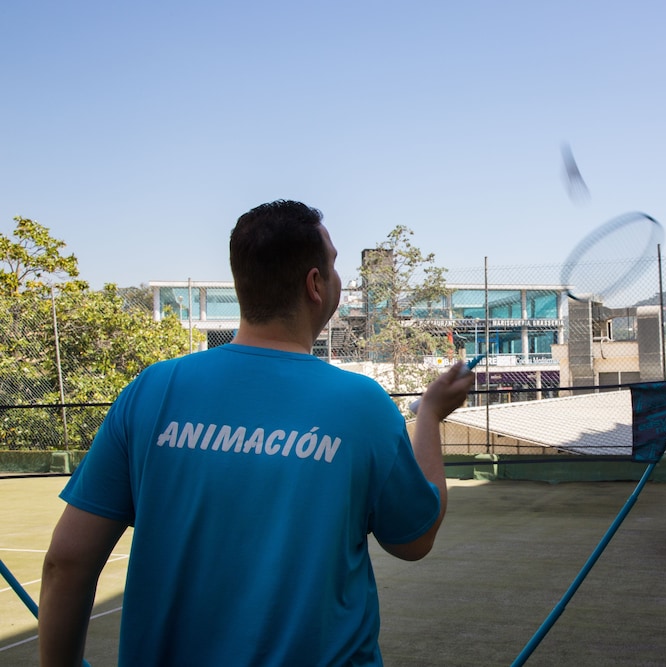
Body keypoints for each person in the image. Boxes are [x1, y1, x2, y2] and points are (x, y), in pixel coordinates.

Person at [38, 200, 475, 666]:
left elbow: (67, 562)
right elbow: (414, 538)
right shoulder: (361, 404)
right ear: (314, 284)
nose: (338, 278)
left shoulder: (152, 390)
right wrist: (430, 416)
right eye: (333, 265)